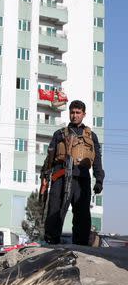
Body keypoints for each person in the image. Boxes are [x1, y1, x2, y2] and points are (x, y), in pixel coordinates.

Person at [42, 100, 104, 246]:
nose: (74, 115)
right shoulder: (59, 134)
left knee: (82, 215)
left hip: (82, 179)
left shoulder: (91, 136)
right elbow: (49, 157)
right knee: (55, 210)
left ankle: (81, 247)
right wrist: (45, 177)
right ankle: (51, 243)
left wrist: (99, 180)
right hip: (60, 177)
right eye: (72, 112)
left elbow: (97, 161)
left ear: (84, 114)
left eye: (78, 113)